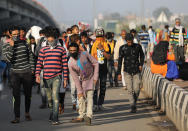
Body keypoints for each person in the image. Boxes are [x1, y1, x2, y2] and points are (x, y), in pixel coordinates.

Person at [35, 27, 68, 125]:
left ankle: (55, 118)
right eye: (48, 38)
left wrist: (65, 78)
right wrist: (37, 75)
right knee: (49, 99)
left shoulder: (61, 50)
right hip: (46, 77)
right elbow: (39, 63)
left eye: (52, 39)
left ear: (56, 38)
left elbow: (65, 65)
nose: (50, 40)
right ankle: (52, 112)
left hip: (57, 76)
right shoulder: (43, 50)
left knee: (55, 97)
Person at [2, 26, 35, 123]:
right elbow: (8, 59)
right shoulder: (6, 45)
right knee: (16, 95)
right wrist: (12, 47)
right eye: (14, 34)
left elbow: (31, 57)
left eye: (18, 34)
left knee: (28, 94)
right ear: (10, 34)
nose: (16, 36)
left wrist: (32, 69)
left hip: (27, 72)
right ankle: (17, 117)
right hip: (15, 73)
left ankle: (27, 112)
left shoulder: (25, 43)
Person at [68, 43, 99, 125]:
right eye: (70, 50)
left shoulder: (84, 54)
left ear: (78, 50)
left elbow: (96, 63)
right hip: (82, 81)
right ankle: (81, 115)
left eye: (74, 50)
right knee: (81, 98)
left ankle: (89, 116)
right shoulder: (70, 63)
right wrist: (80, 91)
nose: (72, 52)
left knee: (90, 97)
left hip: (92, 78)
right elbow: (75, 79)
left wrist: (95, 77)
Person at [118, 33, 144, 113]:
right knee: (129, 89)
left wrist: (141, 64)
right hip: (127, 71)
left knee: (136, 89)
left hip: (136, 70)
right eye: (128, 42)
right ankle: (132, 105)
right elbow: (120, 60)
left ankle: (134, 102)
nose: (130, 43)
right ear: (126, 41)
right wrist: (118, 73)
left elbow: (142, 56)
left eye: (131, 41)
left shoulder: (138, 47)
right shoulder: (122, 48)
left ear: (133, 40)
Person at [91, 27, 111, 111]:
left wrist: (102, 49)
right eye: (98, 36)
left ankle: (100, 104)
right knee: (95, 87)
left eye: (101, 36)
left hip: (103, 69)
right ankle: (95, 104)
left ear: (104, 36)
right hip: (95, 70)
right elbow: (90, 58)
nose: (99, 38)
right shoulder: (93, 46)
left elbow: (109, 57)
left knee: (103, 87)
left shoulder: (107, 45)